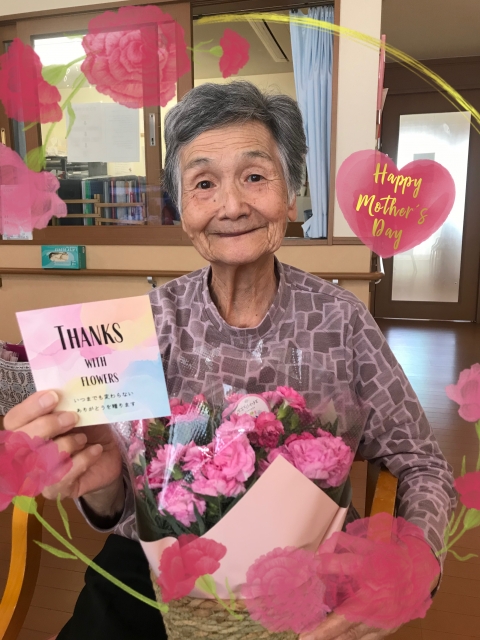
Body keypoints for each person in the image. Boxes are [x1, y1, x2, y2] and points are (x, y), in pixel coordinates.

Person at [4, 81, 456, 640]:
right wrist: (102, 483)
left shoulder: (341, 320)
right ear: (182, 211)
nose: (233, 205)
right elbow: (125, 508)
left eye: (255, 176)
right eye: (204, 183)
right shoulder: (147, 324)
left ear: (291, 195)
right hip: (159, 571)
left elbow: (422, 462)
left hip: (305, 573)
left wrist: (412, 567)